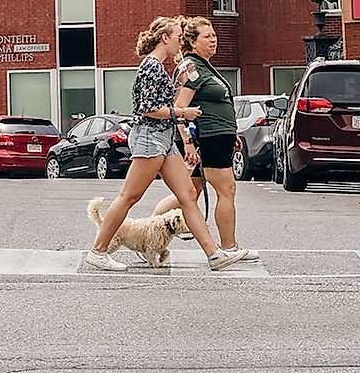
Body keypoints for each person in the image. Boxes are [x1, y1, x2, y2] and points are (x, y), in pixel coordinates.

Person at [85, 18, 250, 272]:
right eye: (176, 37)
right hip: (150, 137)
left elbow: (159, 100)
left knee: (188, 196)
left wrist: (179, 89)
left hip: (163, 138)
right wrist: (183, 113)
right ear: (165, 38)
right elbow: (148, 109)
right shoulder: (151, 66)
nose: (179, 42)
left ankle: (214, 254)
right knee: (130, 196)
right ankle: (98, 250)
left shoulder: (159, 67)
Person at [176, 18, 241, 252]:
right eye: (206, 36)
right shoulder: (190, 68)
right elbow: (180, 107)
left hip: (219, 136)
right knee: (227, 189)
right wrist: (188, 142)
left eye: (214, 35)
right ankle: (229, 247)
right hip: (207, 136)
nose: (213, 40)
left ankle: (152, 226)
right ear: (192, 42)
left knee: (188, 193)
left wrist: (231, 132)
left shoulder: (204, 66)